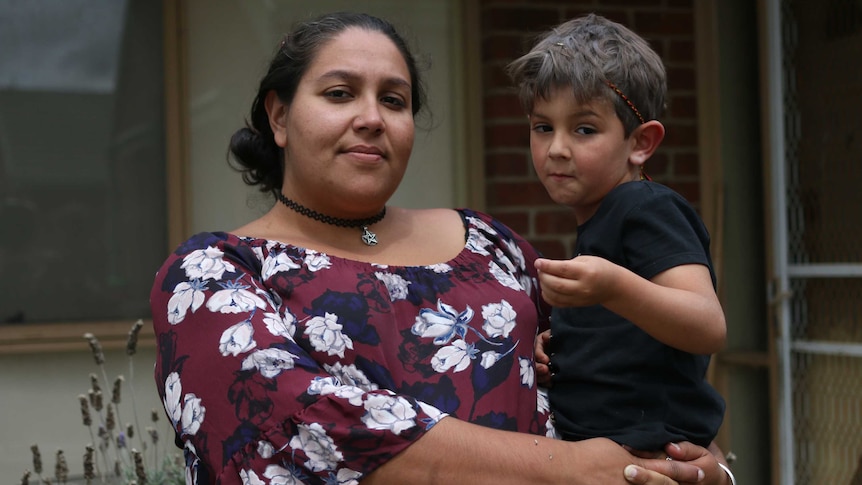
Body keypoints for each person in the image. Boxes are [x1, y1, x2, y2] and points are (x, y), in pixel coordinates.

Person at [150, 11, 731, 485]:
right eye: (340, 93)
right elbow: (302, 429)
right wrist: (567, 468)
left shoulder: (489, 244)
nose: (372, 118)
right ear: (279, 116)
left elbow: (631, 368)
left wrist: (701, 468)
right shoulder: (215, 274)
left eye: (395, 101)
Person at [506, 13, 728, 454]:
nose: (557, 148)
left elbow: (707, 324)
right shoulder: (602, 216)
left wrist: (612, 286)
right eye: (542, 127)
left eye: (584, 129)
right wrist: (563, 348)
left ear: (641, 143)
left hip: (646, 452)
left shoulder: (646, 206)